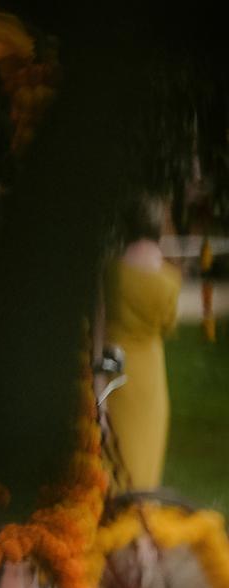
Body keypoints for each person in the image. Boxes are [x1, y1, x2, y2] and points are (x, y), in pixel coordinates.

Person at [103, 203, 179, 496]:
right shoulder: (169, 280)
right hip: (151, 371)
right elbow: (169, 325)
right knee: (147, 444)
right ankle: (144, 510)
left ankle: (117, 504)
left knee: (118, 440)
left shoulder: (111, 271)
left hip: (117, 365)